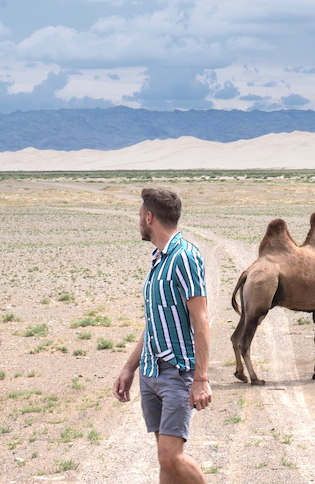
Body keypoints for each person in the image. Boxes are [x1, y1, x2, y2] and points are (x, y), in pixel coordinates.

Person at [113, 187, 212, 482]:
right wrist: (130, 367)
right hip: (151, 371)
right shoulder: (159, 260)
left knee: (171, 456)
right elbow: (155, 322)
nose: (139, 222)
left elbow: (202, 319)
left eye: (139, 216)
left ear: (149, 217)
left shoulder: (185, 257)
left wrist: (201, 379)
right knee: (165, 460)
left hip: (177, 373)